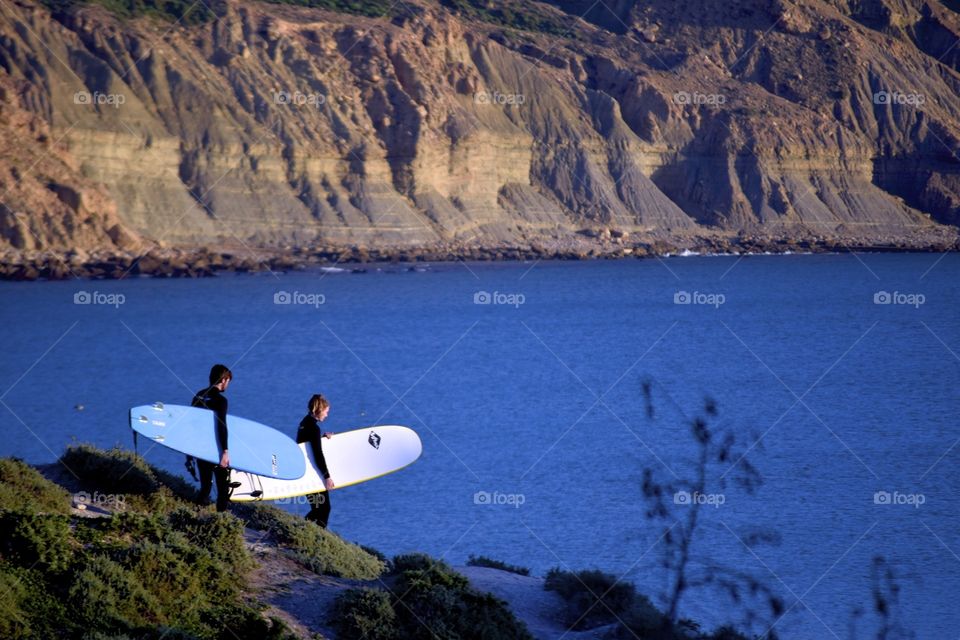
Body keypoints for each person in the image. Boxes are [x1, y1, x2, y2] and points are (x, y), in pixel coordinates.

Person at [189, 364, 233, 512]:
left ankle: (195, 517)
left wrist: (189, 453)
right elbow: (222, 426)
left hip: (200, 449)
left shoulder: (198, 395)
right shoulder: (220, 400)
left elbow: (191, 425)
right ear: (224, 380)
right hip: (215, 449)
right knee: (223, 490)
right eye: (228, 381)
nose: (228, 384)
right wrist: (225, 451)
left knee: (206, 487)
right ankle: (221, 521)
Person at [297, 393, 335, 527]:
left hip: (305, 473)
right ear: (319, 409)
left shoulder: (304, 423)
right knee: (323, 509)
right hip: (313, 475)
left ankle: (301, 531)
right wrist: (327, 476)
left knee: (318, 509)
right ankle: (308, 534)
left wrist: (321, 440)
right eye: (326, 411)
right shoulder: (313, 428)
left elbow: (307, 446)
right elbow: (317, 454)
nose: (326, 415)